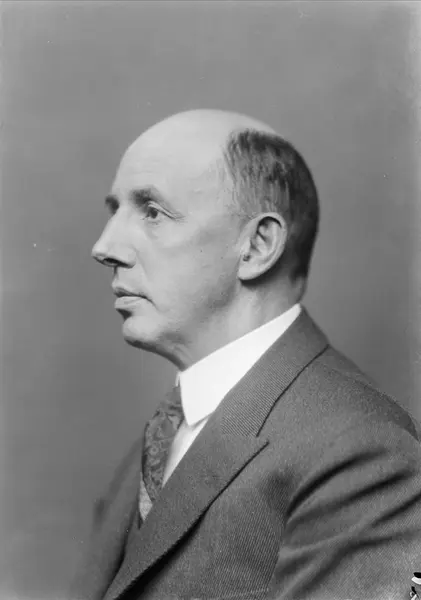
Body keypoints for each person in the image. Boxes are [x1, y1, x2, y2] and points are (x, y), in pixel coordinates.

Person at [71, 110, 421, 600]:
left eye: (152, 211)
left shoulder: (362, 452)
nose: (104, 247)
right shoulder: (165, 434)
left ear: (257, 246)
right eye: (115, 211)